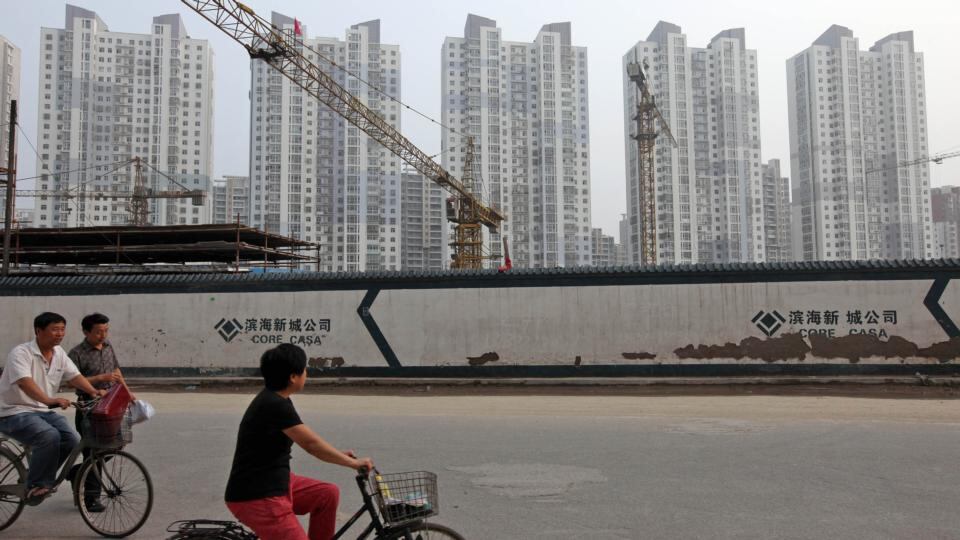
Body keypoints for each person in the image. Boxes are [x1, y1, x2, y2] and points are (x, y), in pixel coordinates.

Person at [224, 344, 373, 540]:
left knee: (327, 494)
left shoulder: (279, 399)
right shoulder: (274, 405)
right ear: (293, 377)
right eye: (304, 369)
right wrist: (353, 463)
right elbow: (312, 445)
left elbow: (308, 437)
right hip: (258, 495)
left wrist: (339, 454)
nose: (306, 373)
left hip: (276, 481)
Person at [0, 312, 107, 505]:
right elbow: (25, 382)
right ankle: (35, 485)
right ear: (38, 331)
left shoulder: (59, 354)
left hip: (41, 411)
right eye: (55, 329)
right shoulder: (21, 353)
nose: (60, 334)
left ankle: (39, 478)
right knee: (49, 436)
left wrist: (93, 392)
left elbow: (74, 376)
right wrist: (49, 400)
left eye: (62, 329)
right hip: (12, 411)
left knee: (71, 440)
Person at [67, 312, 130, 512]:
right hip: (88, 406)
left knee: (115, 446)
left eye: (106, 331)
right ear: (86, 332)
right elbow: (71, 380)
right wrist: (98, 379)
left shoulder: (108, 347)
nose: (103, 335)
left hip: (110, 406)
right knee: (94, 452)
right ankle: (91, 499)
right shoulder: (76, 353)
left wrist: (130, 396)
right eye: (98, 332)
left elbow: (117, 373)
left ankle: (78, 472)